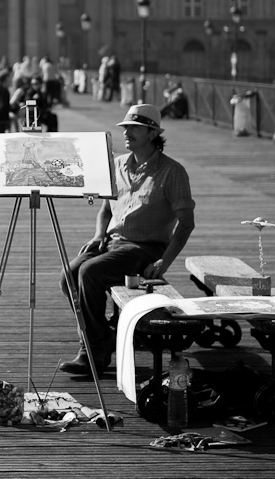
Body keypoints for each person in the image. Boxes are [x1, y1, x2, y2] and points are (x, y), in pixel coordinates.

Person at [59, 103, 195, 377]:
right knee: (68, 276)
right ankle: (107, 335)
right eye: (125, 127)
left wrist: (164, 262)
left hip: (145, 247)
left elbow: (186, 223)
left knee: (90, 272)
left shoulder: (172, 171)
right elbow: (106, 210)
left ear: (152, 133)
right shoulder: (118, 164)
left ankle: (93, 353)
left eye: (134, 128)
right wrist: (99, 235)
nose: (126, 132)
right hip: (112, 242)